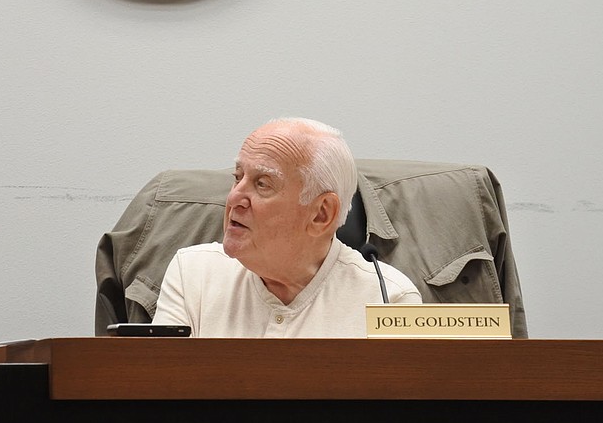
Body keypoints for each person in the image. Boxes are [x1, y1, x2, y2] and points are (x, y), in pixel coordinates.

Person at [152, 117, 422, 337]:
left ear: (321, 214)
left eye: (263, 184)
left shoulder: (390, 299)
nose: (233, 198)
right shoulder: (192, 274)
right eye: (237, 178)